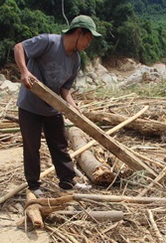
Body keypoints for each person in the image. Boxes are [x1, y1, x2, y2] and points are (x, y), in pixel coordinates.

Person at [13, 15, 102, 197]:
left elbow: (65, 90)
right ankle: (34, 186)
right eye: (88, 38)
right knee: (32, 146)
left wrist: (73, 108)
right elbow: (19, 47)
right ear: (78, 32)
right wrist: (24, 71)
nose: (88, 43)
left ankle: (67, 182)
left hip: (52, 106)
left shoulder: (76, 60)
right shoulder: (49, 42)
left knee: (60, 145)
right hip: (30, 105)